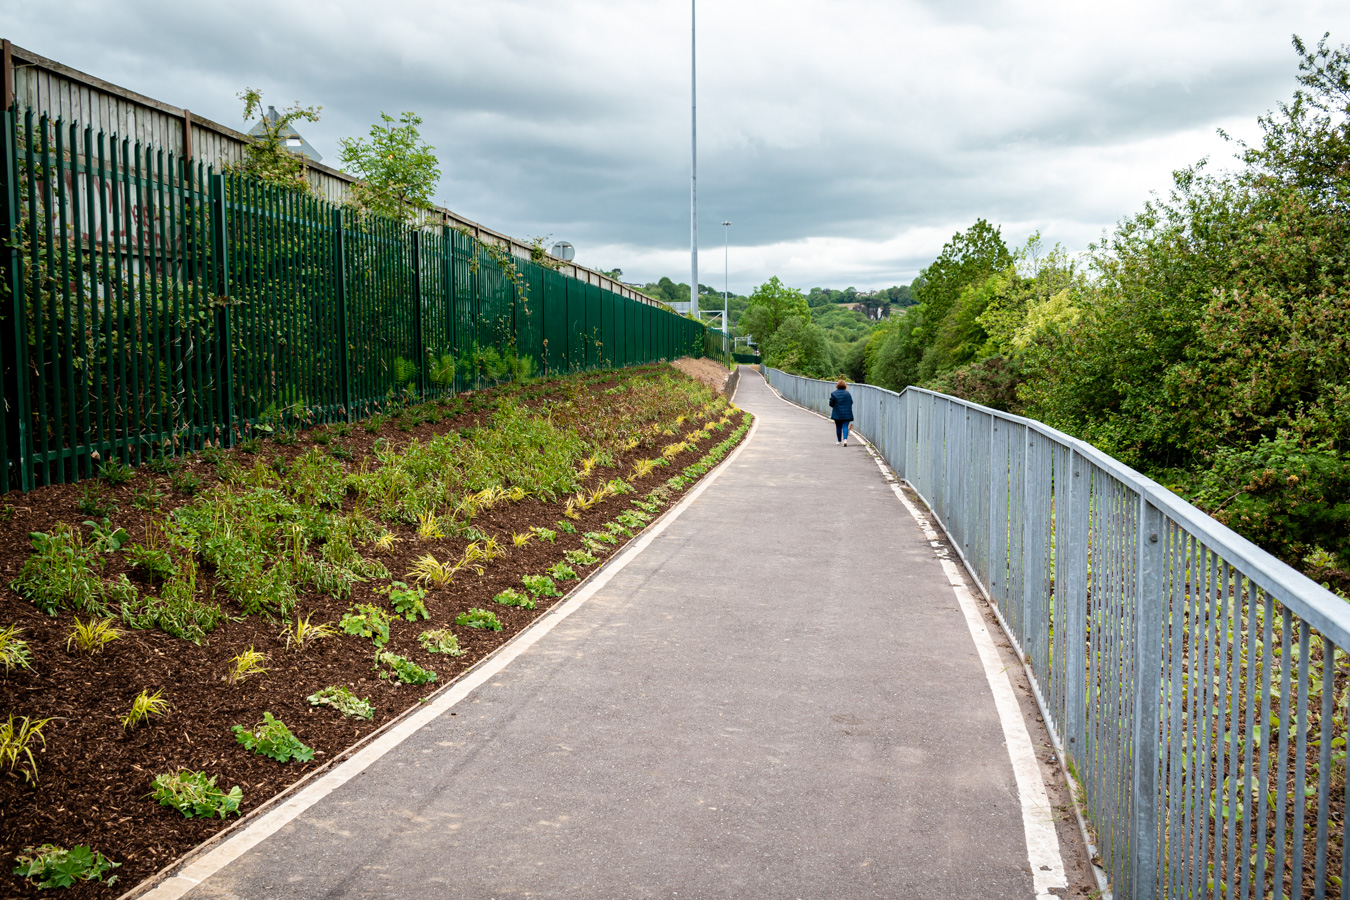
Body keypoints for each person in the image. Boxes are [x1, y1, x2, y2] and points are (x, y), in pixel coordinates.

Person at [828, 379, 854, 445]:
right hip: (847, 413)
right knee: (845, 426)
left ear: (837, 386)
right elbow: (851, 402)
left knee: (838, 427)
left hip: (837, 413)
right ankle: (845, 439)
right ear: (845, 386)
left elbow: (831, 403)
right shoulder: (848, 394)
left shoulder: (834, 393)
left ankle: (839, 441)